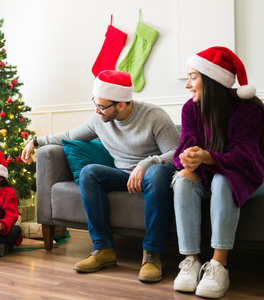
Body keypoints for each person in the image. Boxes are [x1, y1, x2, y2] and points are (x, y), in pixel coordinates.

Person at [22, 70, 180, 282]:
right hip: (123, 176)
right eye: (95, 104)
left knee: (158, 172)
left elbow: (176, 153)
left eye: (102, 106)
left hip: (153, 176)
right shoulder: (100, 120)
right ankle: (103, 249)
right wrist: (36, 141)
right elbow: (70, 136)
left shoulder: (154, 116)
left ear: (122, 104)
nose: (97, 111)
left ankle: (151, 254)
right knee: (89, 172)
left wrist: (147, 163)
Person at [172, 47, 264, 298]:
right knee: (183, 181)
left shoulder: (249, 110)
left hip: (257, 177)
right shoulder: (190, 109)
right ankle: (191, 261)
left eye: (192, 77)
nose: (187, 85)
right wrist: (188, 162)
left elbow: (245, 159)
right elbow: (183, 149)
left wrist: (207, 158)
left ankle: (219, 265)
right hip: (212, 177)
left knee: (224, 177)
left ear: (210, 80)